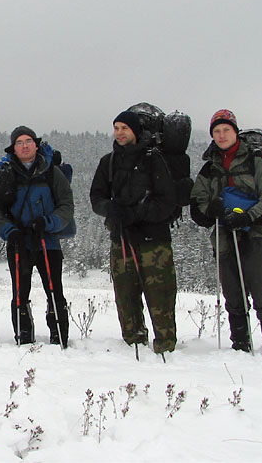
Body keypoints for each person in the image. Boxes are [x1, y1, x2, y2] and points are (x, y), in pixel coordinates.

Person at [190, 109, 262, 357]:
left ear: (235, 132)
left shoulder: (257, 161)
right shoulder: (210, 168)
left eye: (226, 130)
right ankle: (240, 344)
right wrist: (210, 210)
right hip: (224, 235)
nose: (221, 135)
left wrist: (247, 216)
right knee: (233, 292)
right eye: (217, 131)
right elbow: (198, 203)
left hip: (256, 233)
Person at [89, 111, 178, 355]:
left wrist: (135, 213)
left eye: (124, 128)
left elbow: (167, 200)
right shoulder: (108, 162)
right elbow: (96, 197)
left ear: (135, 131)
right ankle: (133, 344)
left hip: (154, 240)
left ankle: (166, 347)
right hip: (121, 238)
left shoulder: (154, 159)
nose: (119, 132)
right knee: (125, 295)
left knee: (160, 296)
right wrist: (110, 208)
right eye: (116, 127)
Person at [0, 126, 74, 347]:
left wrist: (48, 222)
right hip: (19, 242)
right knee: (20, 291)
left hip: (48, 240)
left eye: (28, 141)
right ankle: (24, 337)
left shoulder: (51, 172)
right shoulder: (5, 176)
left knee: (54, 289)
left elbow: (66, 205)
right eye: (19, 142)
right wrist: (10, 231)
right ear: (13, 148)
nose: (24, 146)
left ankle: (59, 336)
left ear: (36, 145)